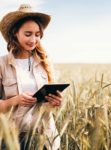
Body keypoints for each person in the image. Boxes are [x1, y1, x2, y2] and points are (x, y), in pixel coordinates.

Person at [0, 4, 62, 150]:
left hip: (45, 137)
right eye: (28, 34)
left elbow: (47, 106)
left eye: (37, 34)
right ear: (15, 33)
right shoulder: (2, 64)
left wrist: (56, 102)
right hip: (12, 139)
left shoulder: (44, 62)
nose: (33, 40)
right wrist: (15, 100)